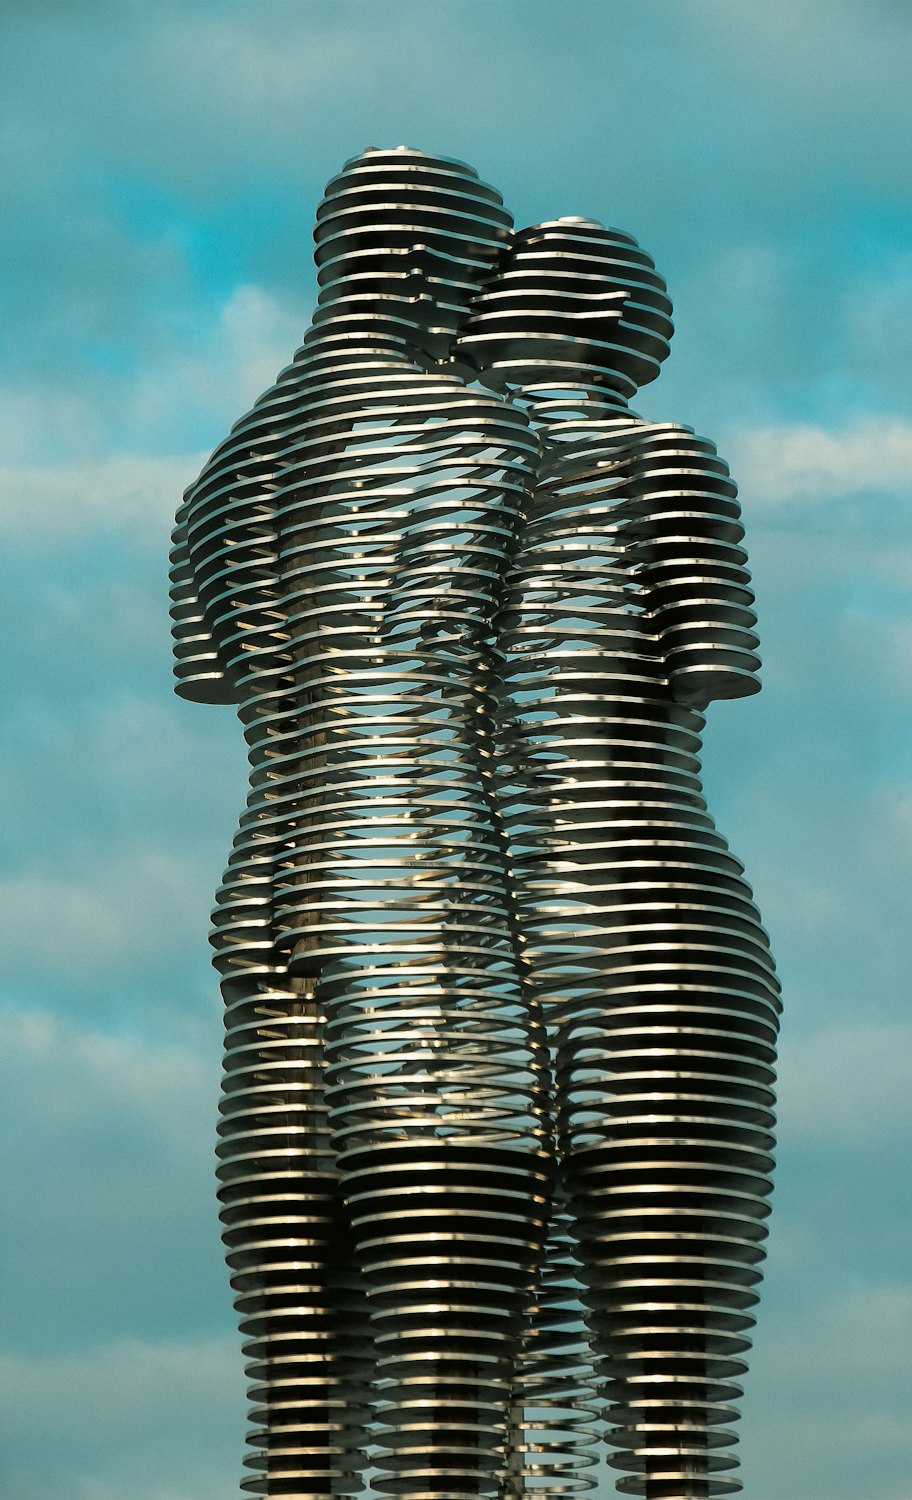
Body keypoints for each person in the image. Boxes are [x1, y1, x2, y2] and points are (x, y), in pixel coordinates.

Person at [171, 148, 550, 1500]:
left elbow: (211, 679)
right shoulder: (479, 428)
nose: (483, 309)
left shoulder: (217, 479)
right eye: (475, 271)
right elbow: (499, 667)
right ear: (417, 258)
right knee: (453, 1333)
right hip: (413, 859)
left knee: (300, 1367)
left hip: (260, 877)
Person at [456, 219, 781, 1499]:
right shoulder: (662, 456)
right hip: (653, 906)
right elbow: (712, 668)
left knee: (473, 1370)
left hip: (452, 928)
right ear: (608, 313)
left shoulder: (401, 491)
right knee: (669, 1388)